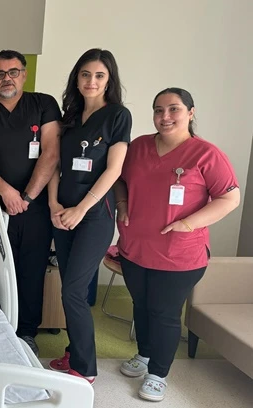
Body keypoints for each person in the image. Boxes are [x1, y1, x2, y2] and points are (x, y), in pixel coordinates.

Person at [114, 88, 239, 401]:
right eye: (158, 110)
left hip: (179, 254)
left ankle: (158, 374)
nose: (165, 116)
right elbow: (119, 178)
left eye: (174, 109)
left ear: (191, 113)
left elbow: (230, 198)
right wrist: (122, 203)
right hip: (135, 247)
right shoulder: (139, 146)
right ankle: (144, 355)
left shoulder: (206, 154)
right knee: (141, 306)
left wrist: (188, 224)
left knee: (165, 313)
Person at [0, 49, 61, 355]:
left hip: (37, 204)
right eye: (0, 74)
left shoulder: (43, 104)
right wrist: (6, 192)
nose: (7, 78)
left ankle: (27, 333)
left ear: (24, 74)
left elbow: (51, 152)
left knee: (32, 269)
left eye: (13, 72)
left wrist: (27, 196)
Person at [47, 49, 131, 384]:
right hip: (62, 213)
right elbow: (54, 164)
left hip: (94, 215)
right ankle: (75, 351)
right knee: (70, 289)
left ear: (109, 80)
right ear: (76, 78)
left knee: (73, 290)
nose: (91, 81)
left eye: (99, 75)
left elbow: (114, 170)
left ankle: (85, 368)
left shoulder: (117, 116)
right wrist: (53, 204)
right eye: (85, 74)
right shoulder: (69, 117)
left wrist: (81, 209)